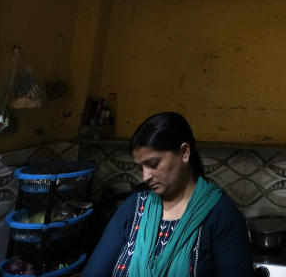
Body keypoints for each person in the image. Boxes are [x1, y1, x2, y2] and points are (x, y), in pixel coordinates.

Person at [83, 112, 252, 277]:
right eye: (141, 167)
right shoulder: (133, 208)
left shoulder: (221, 216)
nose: (145, 177)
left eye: (153, 164)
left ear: (184, 152)